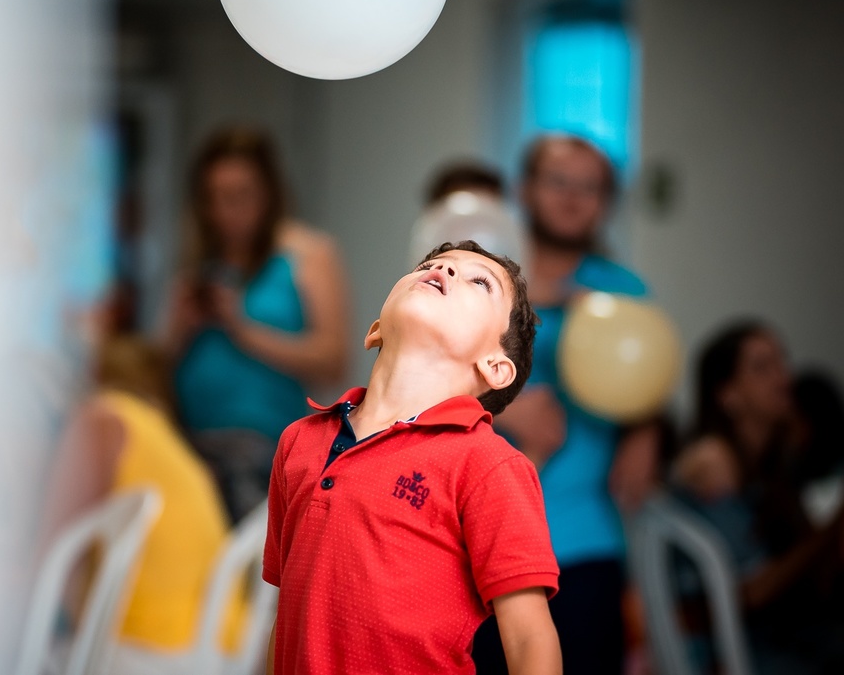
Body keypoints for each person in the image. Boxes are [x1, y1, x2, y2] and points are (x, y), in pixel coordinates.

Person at [263, 240, 561, 675]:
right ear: (376, 329)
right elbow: (286, 613)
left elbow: (529, 637)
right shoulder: (298, 442)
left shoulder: (488, 463)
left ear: (496, 367)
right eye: (433, 264)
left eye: (480, 282)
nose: (445, 270)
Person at [473, 132, 658, 675]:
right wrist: (504, 405)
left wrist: (647, 429)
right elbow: (427, 382)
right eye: (558, 182)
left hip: (584, 538)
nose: (573, 199)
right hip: (478, 537)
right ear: (524, 189)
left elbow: (646, 376)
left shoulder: (624, 292)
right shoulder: (481, 278)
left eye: (590, 187)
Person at [164, 126, 350, 521]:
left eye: (239, 196)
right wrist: (182, 328)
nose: (225, 211)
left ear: (268, 194)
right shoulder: (200, 264)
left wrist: (243, 330)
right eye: (213, 198)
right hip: (190, 443)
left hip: (263, 450)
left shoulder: (308, 253)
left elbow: (333, 359)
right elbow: (158, 366)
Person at [42, 335, 245, 667]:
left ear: (96, 373)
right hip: (220, 647)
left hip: (152, 648)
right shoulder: (171, 445)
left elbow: (53, 554)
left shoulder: (104, 417)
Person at [673, 322, 844, 674]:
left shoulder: (778, 463)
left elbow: (817, 582)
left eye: (782, 362)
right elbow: (748, 593)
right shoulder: (712, 465)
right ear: (728, 396)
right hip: (746, 655)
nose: (784, 378)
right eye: (762, 368)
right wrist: (831, 530)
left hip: (795, 640)